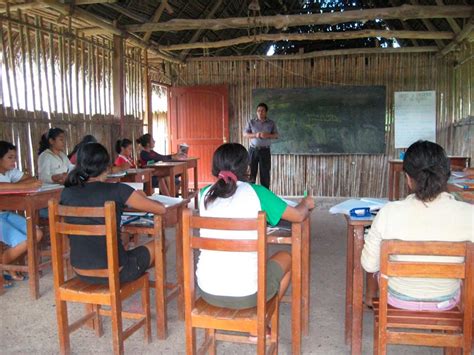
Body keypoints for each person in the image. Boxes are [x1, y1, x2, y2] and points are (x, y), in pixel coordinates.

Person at [196, 143, 314, 310]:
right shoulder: (257, 192)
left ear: (215, 167)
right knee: (287, 257)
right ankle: (263, 319)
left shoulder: (204, 194)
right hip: (247, 294)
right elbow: (299, 215)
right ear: (246, 166)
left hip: (207, 290)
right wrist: (305, 203)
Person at [361, 140, 473, 311]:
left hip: (398, 298)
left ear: (408, 178)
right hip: (446, 300)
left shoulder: (389, 212)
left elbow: (369, 265)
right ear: (447, 176)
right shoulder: (469, 214)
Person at [60, 142, 166, 284]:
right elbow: (160, 209)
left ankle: (134, 270)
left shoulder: (66, 193)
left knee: (123, 241)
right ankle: (137, 276)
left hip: (80, 270)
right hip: (117, 271)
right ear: (105, 166)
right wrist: (143, 197)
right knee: (163, 243)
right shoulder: (117, 190)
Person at [0, 141, 43, 286]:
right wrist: (25, 185)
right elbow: (2, 187)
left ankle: (8, 267)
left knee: (36, 234)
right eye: (10, 157)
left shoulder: (9, 172)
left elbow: (31, 179)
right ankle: (5, 267)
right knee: (23, 241)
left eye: (15, 157)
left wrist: (24, 183)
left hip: (5, 214)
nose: (14, 161)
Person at [243, 103, 278, 189]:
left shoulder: (271, 123)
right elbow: (245, 134)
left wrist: (268, 135)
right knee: (251, 173)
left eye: (262, 111)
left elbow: (276, 135)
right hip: (253, 150)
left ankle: (265, 194)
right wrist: (256, 135)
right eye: (258, 111)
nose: (260, 112)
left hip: (265, 151)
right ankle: (250, 193)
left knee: (265, 174)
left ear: (266, 112)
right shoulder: (251, 122)